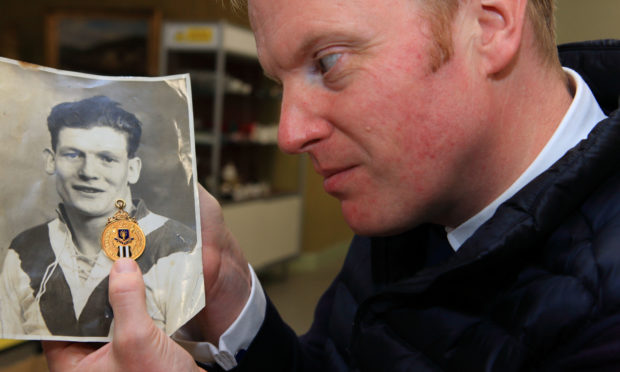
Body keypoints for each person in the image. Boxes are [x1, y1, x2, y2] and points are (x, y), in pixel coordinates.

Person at [43, 0, 620, 371]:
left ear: (490, 25)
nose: (290, 134)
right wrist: (228, 289)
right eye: (281, 83)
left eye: (329, 61)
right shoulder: (414, 194)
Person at [0, 95, 202, 339]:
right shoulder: (24, 250)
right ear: (51, 160)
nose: (88, 172)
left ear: (132, 169)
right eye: (73, 155)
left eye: (107, 159)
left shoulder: (178, 248)